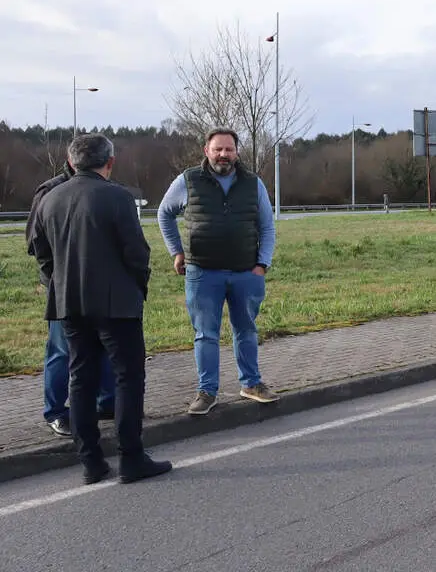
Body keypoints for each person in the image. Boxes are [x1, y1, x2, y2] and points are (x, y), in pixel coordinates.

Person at [29, 134, 172, 484]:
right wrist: (138, 286)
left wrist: (58, 284)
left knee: (81, 379)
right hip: (116, 303)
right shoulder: (117, 196)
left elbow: (42, 254)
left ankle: (91, 461)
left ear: (71, 160)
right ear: (110, 162)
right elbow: (136, 252)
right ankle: (131, 457)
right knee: (127, 377)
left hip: (69, 303)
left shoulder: (49, 199)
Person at [157, 128, 279, 415]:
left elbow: (267, 226)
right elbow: (164, 213)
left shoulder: (253, 184)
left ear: (237, 152)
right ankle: (207, 391)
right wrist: (176, 252)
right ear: (206, 151)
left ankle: (251, 383)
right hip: (202, 273)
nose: (223, 154)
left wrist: (262, 264)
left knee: (246, 330)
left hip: (245, 273)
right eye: (218, 149)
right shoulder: (187, 180)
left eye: (229, 149)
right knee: (205, 334)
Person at [26, 157, 115, 437]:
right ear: (72, 160)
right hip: (64, 288)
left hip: (103, 286)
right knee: (63, 351)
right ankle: (56, 411)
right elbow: (35, 242)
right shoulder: (50, 191)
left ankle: (107, 403)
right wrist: (56, 277)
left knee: (104, 345)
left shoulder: (106, 188)